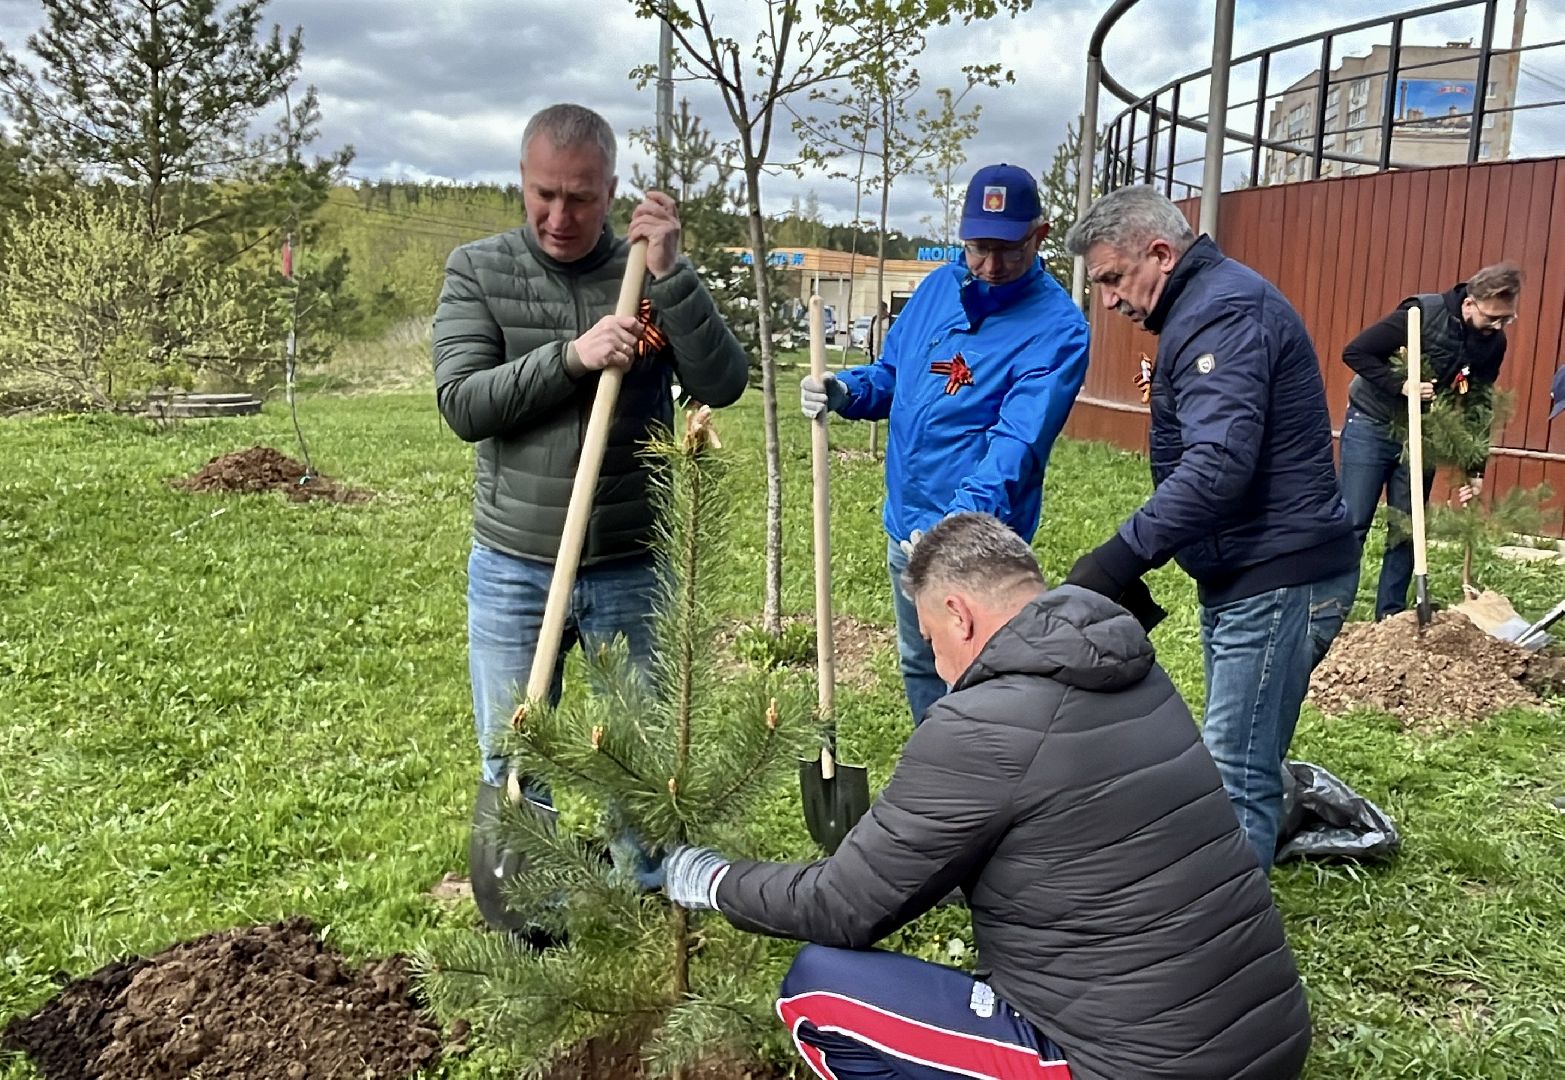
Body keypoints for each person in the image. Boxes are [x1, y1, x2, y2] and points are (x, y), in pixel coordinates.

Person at [643, 513, 1313, 1080]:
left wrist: (710, 879)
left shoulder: (984, 724)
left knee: (821, 986)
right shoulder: (1127, 669)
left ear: (958, 616)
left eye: (931, 641)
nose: (936, 667)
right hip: (1265, 1042)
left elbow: (841, 906)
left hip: (1134, 1066)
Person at [432, 102, 747, 930]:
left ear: (611, 191)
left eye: (580, 198)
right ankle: (527, 904)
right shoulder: (479, 268)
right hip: (513, 564)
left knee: (641, 749)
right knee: (514, 747)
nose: (559, 216)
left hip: (629, 559)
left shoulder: (645, 271)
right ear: (522, 183)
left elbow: (721, 384)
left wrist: (673, 275)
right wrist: (571, 358)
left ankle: (644, 894)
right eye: (542, 195)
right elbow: (463, 404)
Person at [1062, 185, 1358, 870]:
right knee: (1237, 760)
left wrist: (1119, 557)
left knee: (1236, 777)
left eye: (1111, 277)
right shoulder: (1206, 306)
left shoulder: (1222, 312)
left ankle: (1224, 960)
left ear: (1160, 253)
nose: (1106, 299)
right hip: (1251, 570)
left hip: (1277, 575)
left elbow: (1218, 464)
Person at [799, 164, 1089, 726]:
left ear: (1041, 236)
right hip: (905, 524)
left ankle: (998, 794)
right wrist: (845, 389)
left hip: (975, 541)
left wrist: (956, 527)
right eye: (977, 248)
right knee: (921, 660)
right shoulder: (937, 289)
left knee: (986, 674)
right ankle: (940, 784)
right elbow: (893, 377)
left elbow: (1017, 444)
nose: (989, 266)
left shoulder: (1058, 329)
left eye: (1007, 249)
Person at [1339, 262, 1523, 620]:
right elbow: (1356, 352)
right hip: (1372, 423)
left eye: (1507, 319)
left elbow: (1478, 402)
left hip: (1423, 432)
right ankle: (1331, 611)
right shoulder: (1421, 313)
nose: (1499, 326)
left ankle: (1390, 617)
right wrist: (1401, 385)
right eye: (1493, 318)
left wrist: (1475, 467)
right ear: (1470, 304)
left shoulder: (1492, 343)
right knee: (1354, 522)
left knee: (1409, 527)